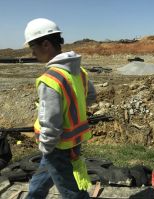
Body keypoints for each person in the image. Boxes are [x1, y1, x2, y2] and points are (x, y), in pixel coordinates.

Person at [24, 18, 96, 199]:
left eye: (33, 47)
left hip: (56, 146)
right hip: (73, 141)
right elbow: (91, 96)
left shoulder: (50, 79)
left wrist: (46, 146)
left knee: (71, 192)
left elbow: (51, 121)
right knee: (39, 182)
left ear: (46, 44)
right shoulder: (78, 71)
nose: (32, 53)